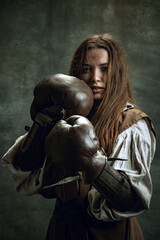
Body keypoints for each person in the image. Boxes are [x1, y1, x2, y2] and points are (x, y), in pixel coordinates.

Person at [1, 34, 156, 240]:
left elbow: (132, 199)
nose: (95, 78)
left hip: (110, 234)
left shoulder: (131, 123)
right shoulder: (66, 118)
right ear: (76, 73)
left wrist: (94, 165)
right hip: (62, 229)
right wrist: (43, 122)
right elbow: (26, 170)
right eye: (86, 69)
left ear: (117, 72)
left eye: (104, 68)